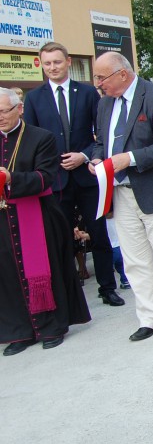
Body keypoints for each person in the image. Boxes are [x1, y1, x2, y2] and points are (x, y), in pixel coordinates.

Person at [90, 52, 153, 342]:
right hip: (119, 192)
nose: (98, 84)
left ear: (122, 74)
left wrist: (129, 158)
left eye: (101, 77)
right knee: (135, 260)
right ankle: (149, 318)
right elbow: (99, 143)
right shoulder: (105, 104)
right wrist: (96, 160)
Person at [23, 41, 124, 307]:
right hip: (55, 180)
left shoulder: (89, 93)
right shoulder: (34, 98)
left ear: (68, 62)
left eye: (57, 62)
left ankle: (107, 288)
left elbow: (101, 133)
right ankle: (67, 294)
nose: (52, 67)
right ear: (41, 65)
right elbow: (32, 139)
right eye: (47, 64)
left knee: (99, 235)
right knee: (59, 239)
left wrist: (85, 155)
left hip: (87, 175)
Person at [0, 88, 90, 355]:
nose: (0, 117)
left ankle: (51, 327)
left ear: (19, 109)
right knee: (7, 275)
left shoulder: (41, 137)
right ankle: (20, 331)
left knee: (46, 271)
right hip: (3, 218)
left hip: (37, 214)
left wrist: (8, 179)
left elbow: (45, 177)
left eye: (4, 111)